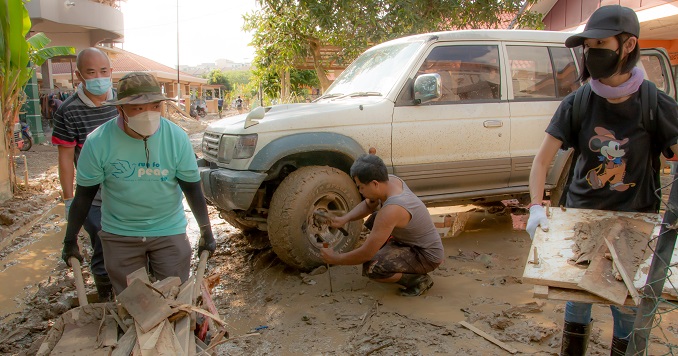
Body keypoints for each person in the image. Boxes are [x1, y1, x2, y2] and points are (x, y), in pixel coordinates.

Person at [526, 5, 678, 355]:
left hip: (635, 225)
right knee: (576, 304)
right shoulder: (577, 102)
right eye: (589, 46)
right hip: (581, 221)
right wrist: (536, 207)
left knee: (625, 309)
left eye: (601, 44)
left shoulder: (655, 103)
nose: (593, 54)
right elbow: (541, 161)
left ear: (627, 46)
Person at [60, 72, 216, 296]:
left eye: (154, 106)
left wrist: (206, 232)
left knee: (174, 299)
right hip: (120, 233)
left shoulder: (176, 139)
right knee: (134, 303)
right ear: (119, 109)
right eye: (137, 108)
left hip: (168, 229)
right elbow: (84, 196)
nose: (148, 114)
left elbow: (192, 189)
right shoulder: (98, 142)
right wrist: (70, 240)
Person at [320, 154, 444, 297]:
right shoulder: (391, 181)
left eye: (361, 187)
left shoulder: (392, 209)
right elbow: (369, 204)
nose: (360, 191)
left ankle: (418, 280)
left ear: (374, 183)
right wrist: (344, 219)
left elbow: (366, 253)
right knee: (375, 218)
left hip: (426, 255)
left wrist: (335, 258)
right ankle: (389, 248)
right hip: (410, 241)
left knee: (372, 267)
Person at [51, 47, 119, 301]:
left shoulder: (123, 104)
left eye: (103, 71)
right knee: (102, 242)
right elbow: (66, 158)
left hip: (128, 188)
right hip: (95, 195)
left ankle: (132, 293)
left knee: (134, 243)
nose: (99, 76)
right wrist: (70, 200)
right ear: (80, 76)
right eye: (92, 72)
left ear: (111, 72)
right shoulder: (69, 111)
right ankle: (105, 298)